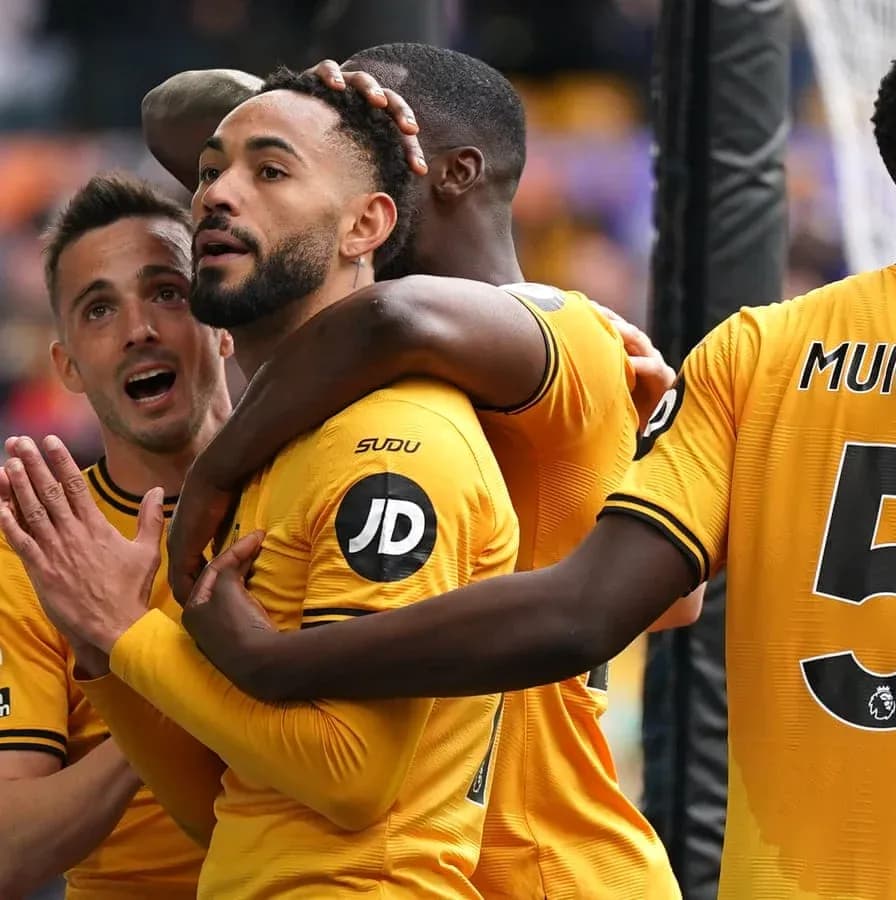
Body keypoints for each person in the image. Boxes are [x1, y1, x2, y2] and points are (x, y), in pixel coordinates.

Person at [117, 18, 896, 898]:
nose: (231, 190)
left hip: (574, 870)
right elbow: (626, 604)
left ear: (401, 197)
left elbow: (584, 606)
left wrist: (232, 618)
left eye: (279, 163)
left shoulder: (719, 347)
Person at [144, 44, 684, 898]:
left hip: (549, 862)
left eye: (384, 124)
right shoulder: (357, 368)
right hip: (443, 850)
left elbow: (393, 317)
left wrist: (211, 477)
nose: (223, 191)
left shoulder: (561, 330)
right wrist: (301, 96)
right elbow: (176, 119)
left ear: (452, 174)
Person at [3, 70, 517, 899]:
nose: (214, 196)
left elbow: (351, 776)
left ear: (366, 225)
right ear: (61, 360)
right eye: (209, 174)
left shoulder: (387, 442)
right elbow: (225, 807)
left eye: (266, 171)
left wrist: (129, 637)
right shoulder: (270, 464)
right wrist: (115, 655)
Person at [0, 175, 223, 897]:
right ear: (66, 365)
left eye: (167, 292)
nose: (139, 330)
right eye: (99, 310)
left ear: (223, 317)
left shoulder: (317, 485)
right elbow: (8, 853)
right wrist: (149, 661)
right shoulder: (33, 554)